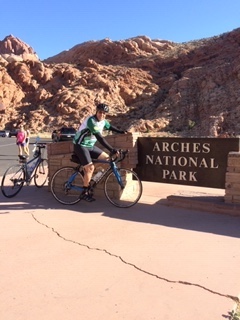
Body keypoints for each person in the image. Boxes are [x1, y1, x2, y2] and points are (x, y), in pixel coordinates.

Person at [73, 103, 127, 202]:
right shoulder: (91, 121)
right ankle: (84, 192)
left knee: (107, 160)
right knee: (90, 168)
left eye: (104, 113)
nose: (101, 114)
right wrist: (112, 149)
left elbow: (110, 127)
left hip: (90, 146)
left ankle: (91, 179)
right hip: (80, 145)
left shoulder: (103, 121)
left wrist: (121, 132)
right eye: (100, 112)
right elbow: (99, 138)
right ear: (96, 112)